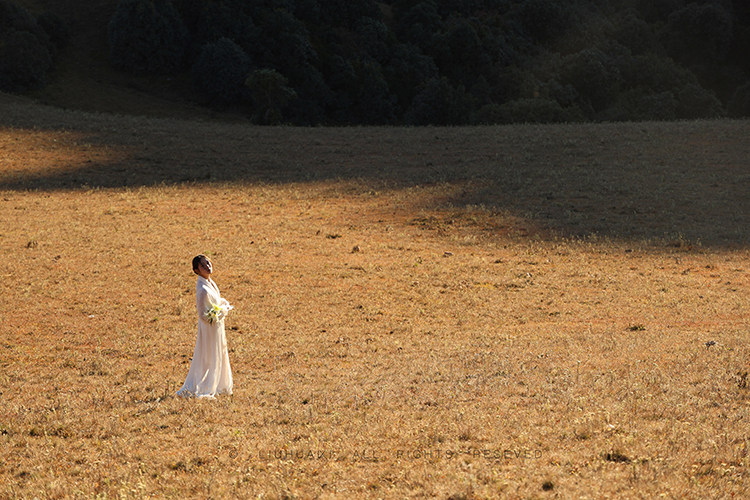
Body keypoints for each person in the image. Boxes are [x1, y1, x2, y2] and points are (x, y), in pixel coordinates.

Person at [177, 255, 233, 399]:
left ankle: (219, 383)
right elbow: (203, 314)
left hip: (216, 326)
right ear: (197, 270)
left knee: (219, 352)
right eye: (203, 266)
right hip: (209, 328)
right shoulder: (202, 289)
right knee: (209, 355)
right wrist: (221, 312)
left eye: (207, 263)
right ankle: (205, 385)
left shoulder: (210, 282)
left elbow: (216, 300)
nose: (207, 266)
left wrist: (222, 305)